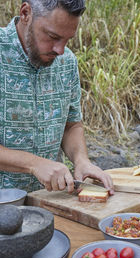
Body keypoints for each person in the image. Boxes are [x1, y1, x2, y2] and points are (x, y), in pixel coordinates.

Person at [0, 0, 114, 194]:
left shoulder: (67, 62)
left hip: (49, 204)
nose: (60, 50)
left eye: (67, 39)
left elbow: (71, 126)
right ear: (26, 13)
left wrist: (81, 160)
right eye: (52, 36)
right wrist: (34, 164)